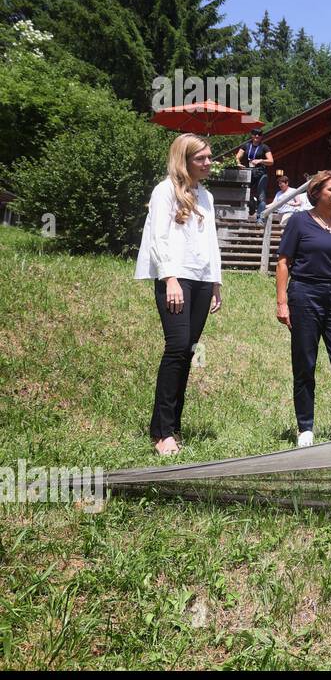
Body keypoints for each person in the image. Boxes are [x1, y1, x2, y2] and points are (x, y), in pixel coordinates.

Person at [134, 134, 224, 456]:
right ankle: (161, 433)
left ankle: (172, 426)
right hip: (175, 278)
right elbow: (158, 237)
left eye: (209, 157)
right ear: (184, 160)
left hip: (201, 280)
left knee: (188, 351)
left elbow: (211, 241)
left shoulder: (207, 197)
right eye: (202, 158)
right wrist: (169, 278)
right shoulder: (164, 191)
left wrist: (216, 282)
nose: (209, 163)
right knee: (176, 348)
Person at [276, 171, 331, 447]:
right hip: (305, 296)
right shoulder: (299, 221)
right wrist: (282, 302)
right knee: (305, 363)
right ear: (317, 192)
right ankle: (306, 429)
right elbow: (284, 262)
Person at [234, 128, 274, 223]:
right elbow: (237, 157)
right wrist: (238, 164)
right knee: (246, 194)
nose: (257, 136)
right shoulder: (246, 146)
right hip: (249, 172)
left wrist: (261, 160)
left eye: (259, 134)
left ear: (261, 136)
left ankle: (260, 218)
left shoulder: (264, 147)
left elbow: (271, 161)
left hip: (261, 173)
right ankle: (251, 206)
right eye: (255, 134)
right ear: (252, 135)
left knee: (261, 196)